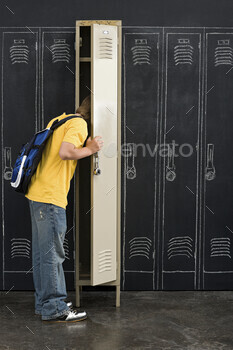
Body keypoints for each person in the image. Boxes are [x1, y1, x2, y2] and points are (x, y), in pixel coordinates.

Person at [25, 95, 103, 323]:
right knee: (52, 256)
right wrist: (91, 149)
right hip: (50, 197)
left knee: (42, 255)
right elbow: (65, 152)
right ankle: (56, 308)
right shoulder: (79, 124)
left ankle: (45, 304)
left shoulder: (60, 119)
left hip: (37, 193)